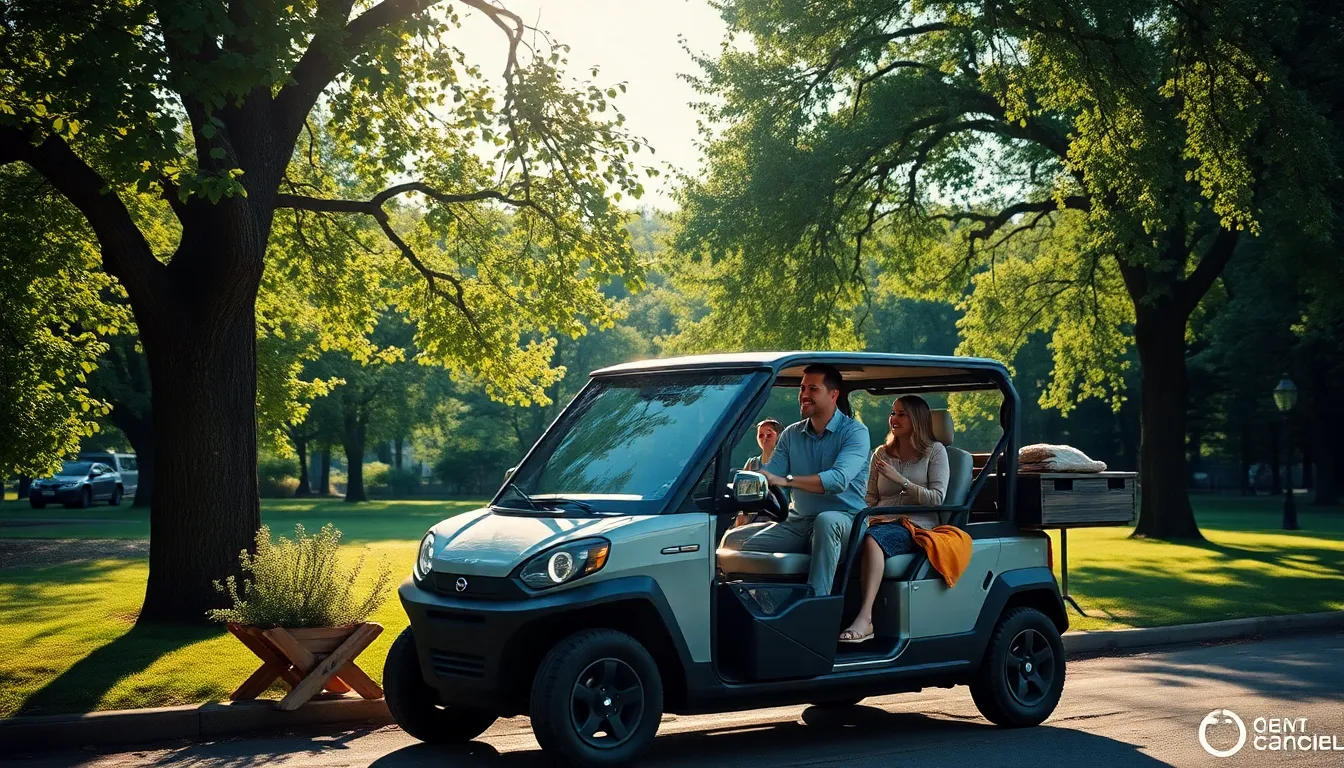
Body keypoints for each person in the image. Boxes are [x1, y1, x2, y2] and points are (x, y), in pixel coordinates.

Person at [720, 364, 870, 597]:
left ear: (833, 394)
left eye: (813, 389)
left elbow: (838, 480)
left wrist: (786, 480)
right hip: (797, 522)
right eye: (802, 389)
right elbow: (770, 474)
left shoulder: (855, 432)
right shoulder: (791, 434)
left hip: (846, 523)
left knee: (826, 521)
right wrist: (743, 484)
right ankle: (758, 608)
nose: (804, 395)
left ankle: (817, 609)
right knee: (733, 541)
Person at [839, 394, 949, 643]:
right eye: (892, 413)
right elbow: (869, 498)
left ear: (917, 420)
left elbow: (936, 499)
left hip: (915, 525)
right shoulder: (881, 453)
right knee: (845, 536)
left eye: (902, 414)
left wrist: (902, 481)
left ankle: (865, 619)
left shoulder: (935, 452)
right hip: (877, 520)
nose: (894, 419)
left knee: (871, 540)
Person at [734, 419, 784, 527]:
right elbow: (742, 496)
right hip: (754, 517)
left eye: (769, 434)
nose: (764, 438)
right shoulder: (752, 464)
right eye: (761, 435)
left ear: (779, 436)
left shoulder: (786, 462)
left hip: (780, 517)